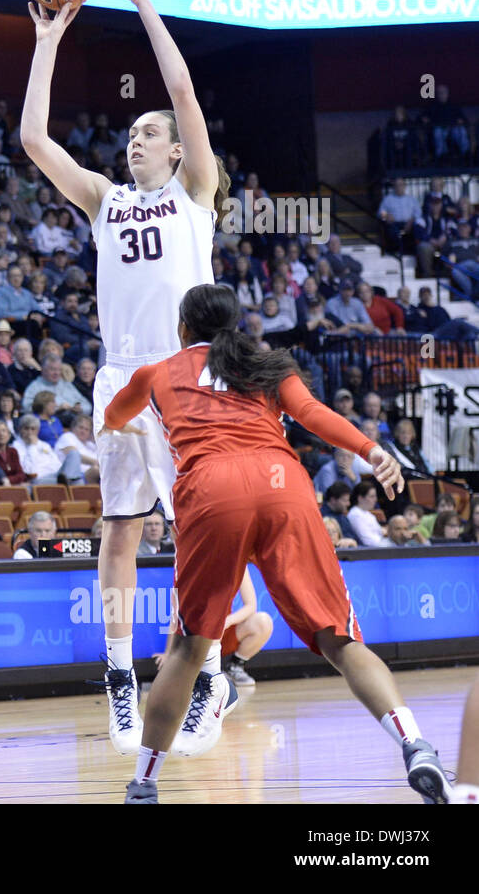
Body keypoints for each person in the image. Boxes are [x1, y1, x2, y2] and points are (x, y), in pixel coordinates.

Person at [104, 284, 449, 804]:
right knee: (339, 638)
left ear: (182, 330)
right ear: (235, 323)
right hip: (282, 484)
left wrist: (123, 426)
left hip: (212, 489)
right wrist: (371, 450)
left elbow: (112, 417)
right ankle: (416, 745)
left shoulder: (156, 373)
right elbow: (312, 415)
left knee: (191, 647)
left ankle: (144, 784)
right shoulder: (267, 365)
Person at [19, 0, 228, 757]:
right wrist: (47, 43)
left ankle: (204, 672)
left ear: (176, 150)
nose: (134, 141)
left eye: (149, 134)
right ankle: (116, 674)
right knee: (118, 531)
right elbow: (36, 141)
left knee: (196, 536)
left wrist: (141, 1)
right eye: (132, 135)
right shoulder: (104, 200)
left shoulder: (196, 196)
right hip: (119, 377)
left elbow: (178, 85)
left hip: (189, 379)